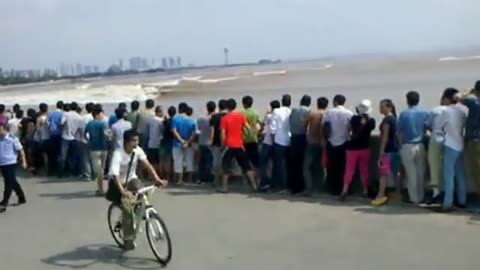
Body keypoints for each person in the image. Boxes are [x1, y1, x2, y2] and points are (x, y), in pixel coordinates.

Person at [108, 129, 167, 250]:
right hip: (118, 183)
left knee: (143, 193)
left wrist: (157, 179)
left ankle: (139, 213)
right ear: (126, 142)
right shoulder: (118, 154)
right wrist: (123, 192)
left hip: (131, 180)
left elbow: (148, 165)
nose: (136, 143)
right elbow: (115, 175)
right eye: (133, 141)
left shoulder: (137, 150)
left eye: (137, 140)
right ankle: (128, 237)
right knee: (127, 208)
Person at [437, 88, 468, 212]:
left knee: (448, 176)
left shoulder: (446, 112)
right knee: (460, 174)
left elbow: (437, 127)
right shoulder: (461, 112)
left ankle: (447, 203)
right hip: (460, 145)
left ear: (446, 98)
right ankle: (462, 200)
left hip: (449, 145)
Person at [218, 98, 258, 193]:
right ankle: (254, 186)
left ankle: (224, 187)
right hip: (240, 145)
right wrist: (257, 133)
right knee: (247, 166)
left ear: (227, 107)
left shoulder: (224, 119)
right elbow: (249, 128)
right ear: (235, 106)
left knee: (226, 166)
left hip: (229, 145)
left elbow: (223, 134)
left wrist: (222, 145)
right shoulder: (240, 116)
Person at [340, 99, 376, 200]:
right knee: (364, 170)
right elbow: (370, 129)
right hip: (364, 148)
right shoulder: (372, 121)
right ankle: (365, 190)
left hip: (352, 149)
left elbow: (352, 129)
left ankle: (345, 190)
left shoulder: (354, 119)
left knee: (349, 170)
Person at [397, 91, 429, 204]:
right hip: (420, 145)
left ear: (407, 100)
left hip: (407, 145)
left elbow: (399, 132)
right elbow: (427, 128)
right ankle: (421, 197)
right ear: (418, 100)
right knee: (421, 173)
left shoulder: (404, 114)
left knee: (411, 175)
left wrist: (400, 146)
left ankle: (414, 199)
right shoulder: (424, 113)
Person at [372, 99, 401, 206]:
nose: (380, 108)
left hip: (388, 150)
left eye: (382, 106)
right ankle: (398, 193)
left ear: (389, 107)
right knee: (396, 173)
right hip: (396, 150)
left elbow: (385, 137)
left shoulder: (387, 120)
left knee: (383, 174)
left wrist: (381, 151)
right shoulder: (395, 119)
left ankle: (380, 195)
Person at [324, 94, 354, 195]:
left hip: (331, 142)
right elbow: (351, 128)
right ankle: (344, 188)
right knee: (344, 167)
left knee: (332, 167)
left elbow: (324, 126)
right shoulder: (349, 113)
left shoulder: (329, 112)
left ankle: (333, 188)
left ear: (335, 102)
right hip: (344, 142)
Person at [303, 97, 328, 196]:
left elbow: (303, 125)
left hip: (312, 142)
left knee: (306, 167)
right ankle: (320, 188)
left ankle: (309, 189)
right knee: (320, 167)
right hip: (322, 144)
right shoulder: (326, 114)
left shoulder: (312, 113)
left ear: (317, 103)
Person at [0, 122, 27, 213]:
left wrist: (23, 161)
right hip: (2, 163)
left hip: (11, 163)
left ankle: (4, 203)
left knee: (8, 183)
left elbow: (21, 150)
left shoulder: (12, 139)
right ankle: (21, 196)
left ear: (4, 129)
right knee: (12, 181)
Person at [460, 81, 480, 202]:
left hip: (474, 140)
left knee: (476, 171)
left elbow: (457, 97)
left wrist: (469, 91)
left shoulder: (474, 102)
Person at [426, 97, 448, 203]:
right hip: (451, 141)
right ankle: (449, 195)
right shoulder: (457, 112)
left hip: (436, 139)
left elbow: (427, 125)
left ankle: (436, 193)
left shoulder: (435, 110)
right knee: (449, 169)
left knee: (434, 167)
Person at [288, 95, 311, 193]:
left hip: (293, 138)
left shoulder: (294, 111)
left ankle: (293, 187)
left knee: (294, 163)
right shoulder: (308, 111)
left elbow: (290, 122)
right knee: (302, 163)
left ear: (301, 101)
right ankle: (301, 186)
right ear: (309, 103)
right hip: (302, 137)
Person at [85, 106, 109, 195]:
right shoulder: (103, 124)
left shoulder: (89, 124)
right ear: (97, 114)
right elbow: (107, 135)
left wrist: (88, 141)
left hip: (94, 149)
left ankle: (101, 189)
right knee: (101, 169)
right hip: (103, 148)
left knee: (99, 171)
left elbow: (85, 134)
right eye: (101, 113)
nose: (102, 115)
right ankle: (102, 189)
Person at [270, 94, 292, 193]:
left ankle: (279, 185)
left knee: (278, 164)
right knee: (288, 164)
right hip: (289, 140)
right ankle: (288, 185)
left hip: (279, 140)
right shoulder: (291, 111)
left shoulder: (276, 111)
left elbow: (273, 127)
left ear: (282, 101)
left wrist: (272, 138)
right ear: (290, 102)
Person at [171, 103, 196, 185]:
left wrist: (181, 140)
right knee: (189, 161)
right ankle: (190, 179)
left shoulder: (175, 119)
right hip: (188, 144)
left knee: (178, 161)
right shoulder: (191, 120)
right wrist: (187, 141)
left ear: (179, 109)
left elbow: (174, 131)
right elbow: (194, 133)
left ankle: (179, 180)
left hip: (177, 144)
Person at [258, 100, 280, 191]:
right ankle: (274, 183)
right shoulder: (281, 115)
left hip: (267, 143)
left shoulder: (269, 116)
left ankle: (264, 183)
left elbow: (262, 125)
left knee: (262, 163)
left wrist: (267, 112)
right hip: (278, 142)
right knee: (275, 164)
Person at [58, 103, 83, 177]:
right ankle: (74, 172)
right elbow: (80, 129)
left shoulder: (66, 114)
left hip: (65, 137)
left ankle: (61, 173)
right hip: (75, 138)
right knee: (74, 156)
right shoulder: (79, 117)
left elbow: (61, 123)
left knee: (63, 156)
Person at [240, 96, 261, 179]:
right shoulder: (255, 113)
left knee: (243, 162)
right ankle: (257, 179)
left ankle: (244, 180)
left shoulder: (240, 113)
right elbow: (260, 124)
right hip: (253, 139)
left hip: (243, 139)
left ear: (243, 103)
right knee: (256, 162)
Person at [209, 99, 228, 186]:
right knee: (226, 163)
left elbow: (212, 132)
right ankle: (225, 182)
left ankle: (216, 181)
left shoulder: (214, 117)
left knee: (216, 162)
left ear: (219, 107)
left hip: (216, 143)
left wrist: (211, 142)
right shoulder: (229, 116)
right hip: (227, 143)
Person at [197, 101, 215, 183]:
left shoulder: (201, 118)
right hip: (209, 142)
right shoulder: (214, 118)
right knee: (209, 161)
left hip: (201, 141)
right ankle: (208, 178)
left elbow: (199, 129)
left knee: (202, 161)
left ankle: (200, 178)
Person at [159, 106, 176, 180]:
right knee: (169, 160)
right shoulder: (174, 121)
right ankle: (168, 177)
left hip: (163, 141)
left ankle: (162, 175)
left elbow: (162, 131)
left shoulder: (165, 121)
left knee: (162, 159)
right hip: (170, 141)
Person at [147, 106, 164, 175]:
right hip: (158, 143)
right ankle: (157, 175)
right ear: (159, 112)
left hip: (151, 143)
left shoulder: (150, 120)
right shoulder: (160, 121)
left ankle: (151, 175)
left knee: (152, 161)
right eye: (162, 111)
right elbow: (162, 131)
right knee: (158, 161)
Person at [48, 101, 64, 172]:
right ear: (62, 107)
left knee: (53, 152)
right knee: (60, 153)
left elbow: (48, 123)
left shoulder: (51, 114)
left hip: (52, 134)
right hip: (60, 134)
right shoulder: (62, 114)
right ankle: (60, 169)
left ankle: (52, 169)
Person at [75, 105, 90, 180]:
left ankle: (87, 174)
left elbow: (80, 129)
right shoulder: (95, 117)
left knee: (85, 158)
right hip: (93, 139)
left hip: (83, 139)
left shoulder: (83, 118)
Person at [36, 103, 51, 174]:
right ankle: (50, 169)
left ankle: (46, 170)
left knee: (44, 155)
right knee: (50, 154)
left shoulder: (39, 119)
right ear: (47, 109)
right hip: (49, 137)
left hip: (42, 138)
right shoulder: (50, 117)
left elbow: (38, 129)